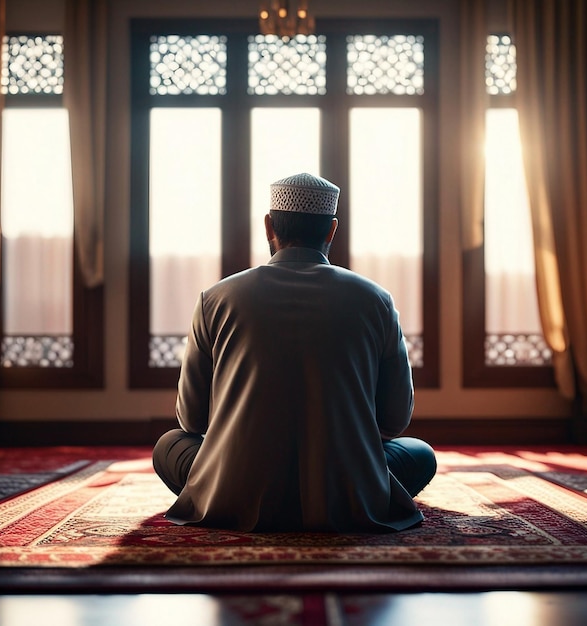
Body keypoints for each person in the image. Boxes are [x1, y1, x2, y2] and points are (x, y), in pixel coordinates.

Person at [153, 172, 436, 532]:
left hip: (234, 491)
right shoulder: (376, 300)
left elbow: (191, 423)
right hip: (346, 494)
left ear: (269, 226)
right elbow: (395, 421)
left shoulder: (216, 298)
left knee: (168, 445)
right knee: (419, 454)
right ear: (331, 230)